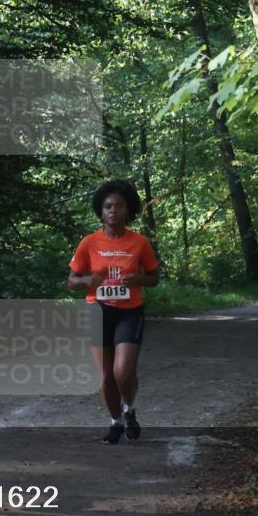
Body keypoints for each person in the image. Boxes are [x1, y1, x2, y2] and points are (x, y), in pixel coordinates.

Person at [68, 180, 159, 444]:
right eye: (108, 206)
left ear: (127, 210)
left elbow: (154, 277)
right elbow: (71, 280)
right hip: (97, 311)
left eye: (119, 206)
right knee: (106, 377)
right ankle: (115, 421)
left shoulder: (140, 243)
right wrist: (86, 282)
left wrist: (139, 280)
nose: (113, 211)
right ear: (100, 211)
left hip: (130, 312)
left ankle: (129, 409)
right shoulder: (88, 243)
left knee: (123, 372)